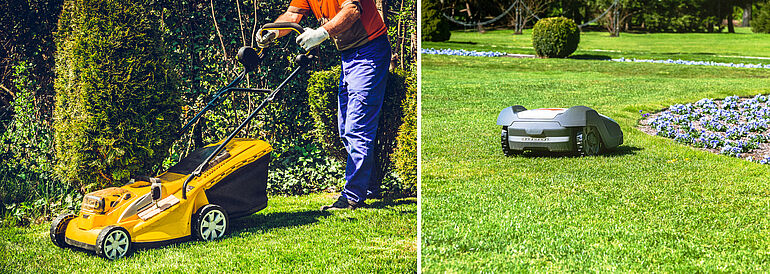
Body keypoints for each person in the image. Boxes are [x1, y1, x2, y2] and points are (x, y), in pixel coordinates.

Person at [258, 0, 390, 210]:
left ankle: (352, 196)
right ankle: (369, 186)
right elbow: (292, 16)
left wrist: (322, 33)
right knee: (345, 128)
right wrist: (272, 31)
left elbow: (353, 10)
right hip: (349, 56)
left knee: (357, 129)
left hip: (370, 50)